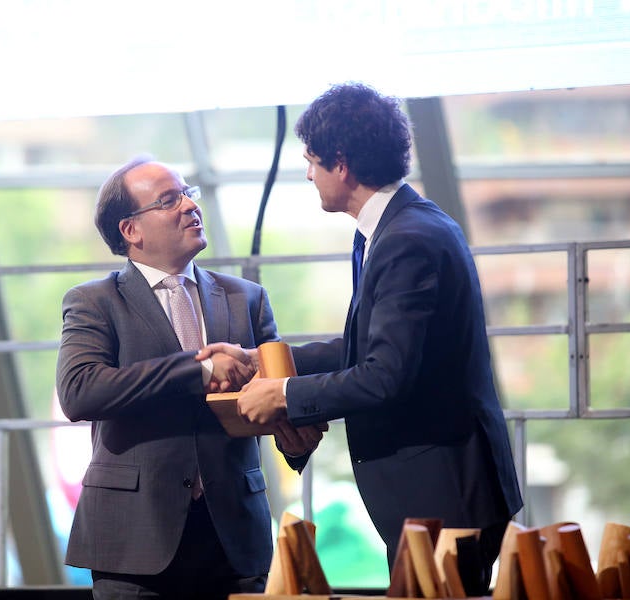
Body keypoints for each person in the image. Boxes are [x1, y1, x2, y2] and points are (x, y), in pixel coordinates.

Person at [235, 82, 524, 594]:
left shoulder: (407, 239)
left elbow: (384, 376)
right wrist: (262, 362)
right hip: (434, 489)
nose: (307, 174)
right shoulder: (393, 228)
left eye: (311, 161)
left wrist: (282, 395)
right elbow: (365, 346)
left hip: (443, 494)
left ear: (340, 164)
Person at [56, 156, 323, 600]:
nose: (188, 206)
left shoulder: (247, 299)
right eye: (168, 200)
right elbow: (80, 391)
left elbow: (277, 391)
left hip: (234, 538)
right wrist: (197, 370)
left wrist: (295, 440)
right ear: (131, 230)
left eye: (188, 194)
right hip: (135, 541)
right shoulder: (94, 301)